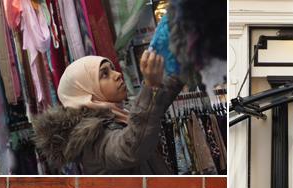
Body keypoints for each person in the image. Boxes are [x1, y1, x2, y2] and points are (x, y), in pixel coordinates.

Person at [33, 50, 183, 174]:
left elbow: (155, 105)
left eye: (112, 69)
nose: (117, 74)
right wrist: (150, 86)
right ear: (86, 92)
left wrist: (182, 65)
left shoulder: (120, 115)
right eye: (104, 74)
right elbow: (131, 147)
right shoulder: (93, 140)